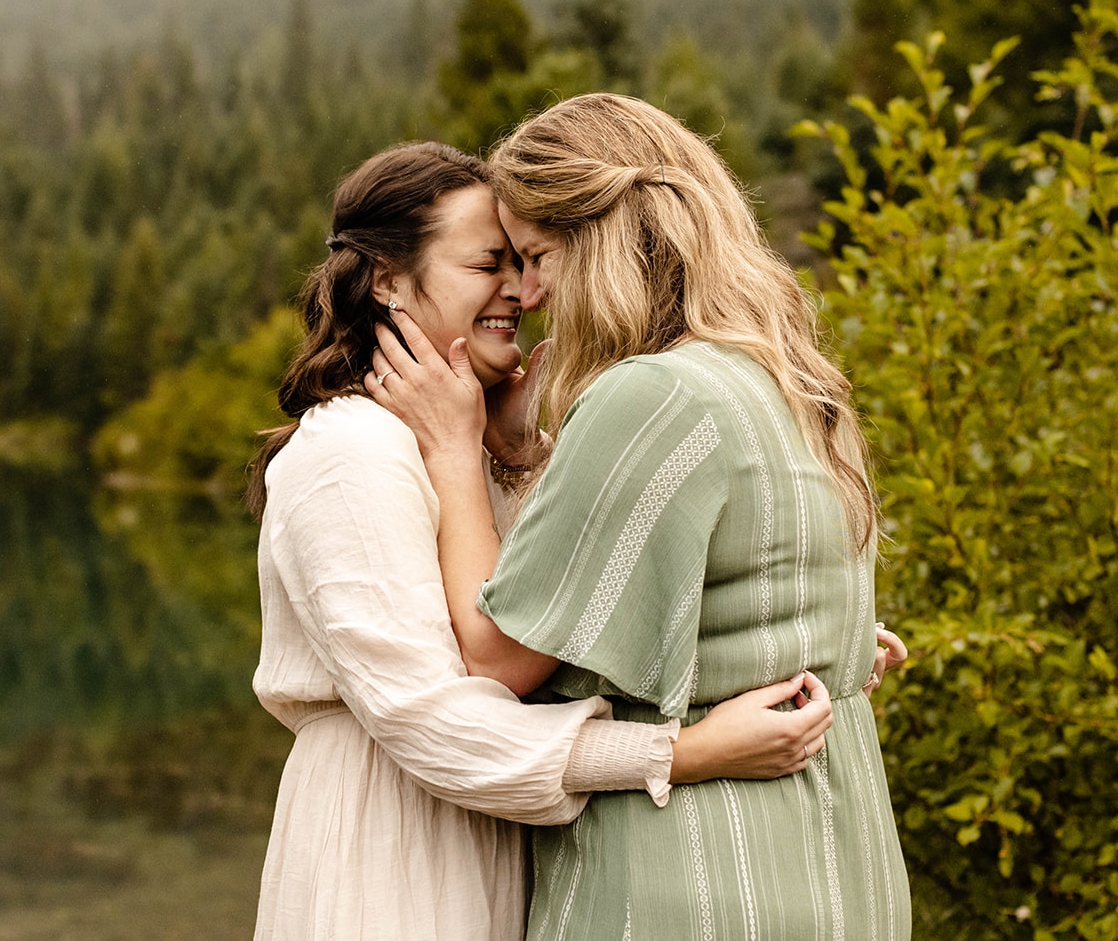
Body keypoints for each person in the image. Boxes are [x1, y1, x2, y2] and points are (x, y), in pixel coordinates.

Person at [248, 141, 853, 941]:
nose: (521, 293)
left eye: (524, 262)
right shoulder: (347, 451)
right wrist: (684, 752)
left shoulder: (473, 443)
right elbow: (431, 719)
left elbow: (572, 632)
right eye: (487, 264)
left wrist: (791, 627)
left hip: (501, 839)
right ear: (389, 279)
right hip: (389, 852)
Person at [367, 94, 913, 939]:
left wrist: (454, 448)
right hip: (845, 862)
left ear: (607, 237)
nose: (532, 292)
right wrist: (525, 460)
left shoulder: (652, 395)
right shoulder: (790, 379)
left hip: (695, 886)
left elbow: (497, 657)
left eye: (539, 255)